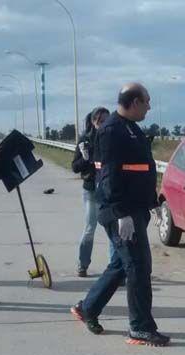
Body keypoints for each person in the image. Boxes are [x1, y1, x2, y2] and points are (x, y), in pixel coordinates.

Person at [70, 83, 169, 347]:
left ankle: (88, 308)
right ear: (134, 102)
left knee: (120, 266)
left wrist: (154, 203)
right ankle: (140, 327)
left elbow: (141, 170)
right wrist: (122, 213)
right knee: (138, 267)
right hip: (120, 212)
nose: (149, 106)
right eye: (147, 101)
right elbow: (109, 175)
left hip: (134, 209)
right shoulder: (112, 131)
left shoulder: (132, 129)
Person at [71, 106, 111, 277]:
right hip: (92, 190)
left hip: (109, 190)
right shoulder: (85, 140)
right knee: (90, 227)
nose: (103, 125)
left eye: (106, 121)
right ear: (93, 122)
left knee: (113, 230)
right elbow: (75, 167)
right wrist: (86, 159)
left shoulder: (112, 137)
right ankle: (82, 264)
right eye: (100, 121)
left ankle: (115, 269)